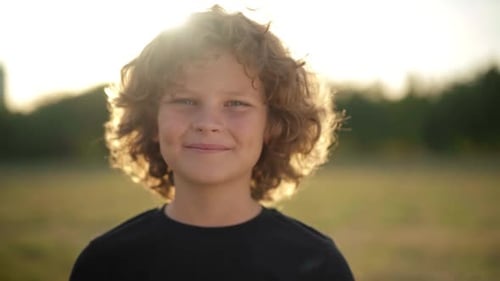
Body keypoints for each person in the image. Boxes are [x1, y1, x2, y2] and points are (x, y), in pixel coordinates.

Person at [70, 5, 354, 281]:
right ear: (151, 120)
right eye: (186, 101)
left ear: (272, 125)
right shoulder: (107, 263)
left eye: (235, 103)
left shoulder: (316, 265)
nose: (207, 122)